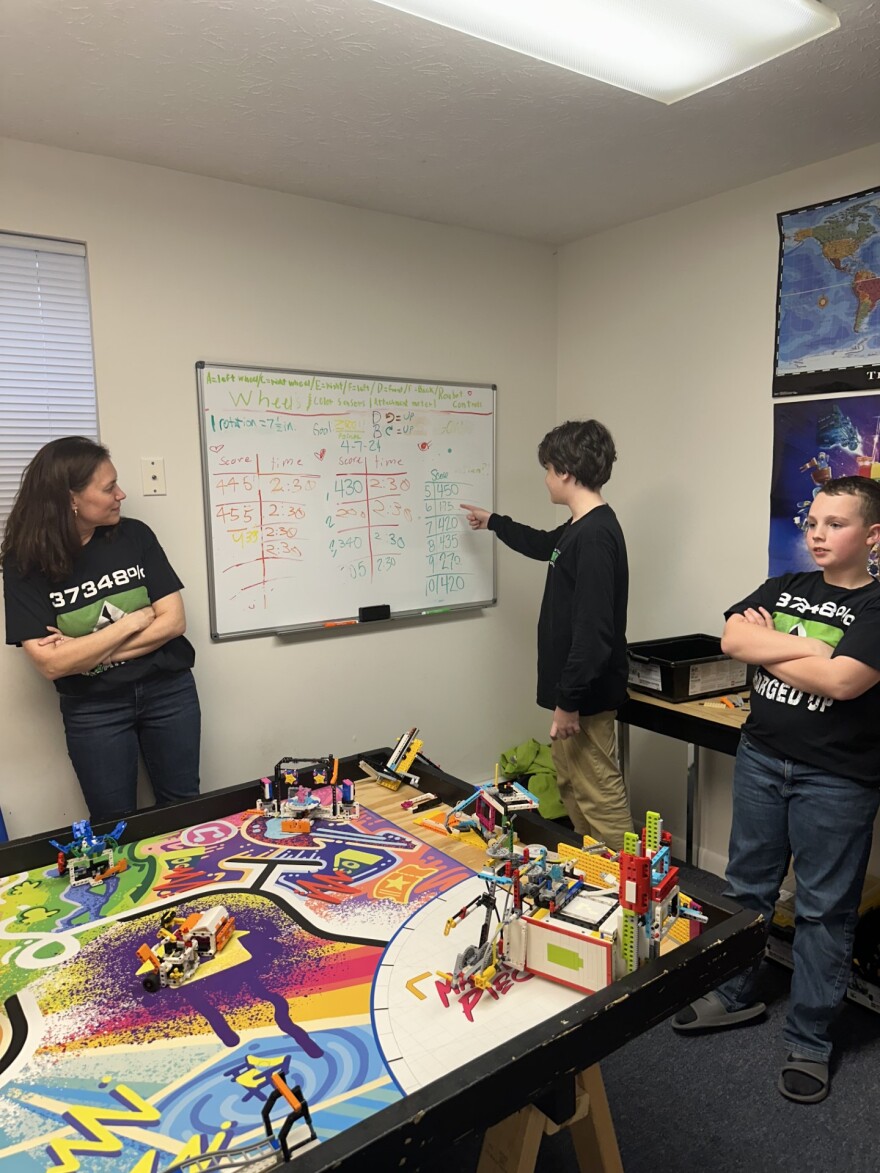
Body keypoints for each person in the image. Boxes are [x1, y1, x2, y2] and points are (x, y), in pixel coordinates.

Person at [672, 475, 880, 1105]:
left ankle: (811, 1038)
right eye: (812, 522)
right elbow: (733, 639)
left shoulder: (877, 604)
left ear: (872, 535)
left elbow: (844, 683)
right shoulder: (787, 587)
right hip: (762, 758)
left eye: (835, 524)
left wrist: (776, 648)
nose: (817, 533)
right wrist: (809, 648)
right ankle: (734, 994)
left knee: (823, 911)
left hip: (836, 779)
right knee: (746, 886)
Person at [2, 436, 201, 822]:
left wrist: (87, 652)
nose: (121, 494)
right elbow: (51, 665)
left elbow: (173, 622)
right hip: (93, 706)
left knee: (184, 808)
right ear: (69, 499)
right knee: (112, 823)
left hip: (168, 690)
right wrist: (133, 621)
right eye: (109, 488)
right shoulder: (25, 563)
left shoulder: (135, 535)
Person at [461, 418, 632, 850]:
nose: (545, 479)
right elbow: (543, 546)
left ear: (566, 473)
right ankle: (596, 881)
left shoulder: (595, 536)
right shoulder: (578, 529)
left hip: (585, 700)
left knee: (600, 799)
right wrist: (494, 522)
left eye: (548, 469)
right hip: (571, 698)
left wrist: (569, 704)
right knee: (573, 790)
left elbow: (594, 634)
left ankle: (631, 895)